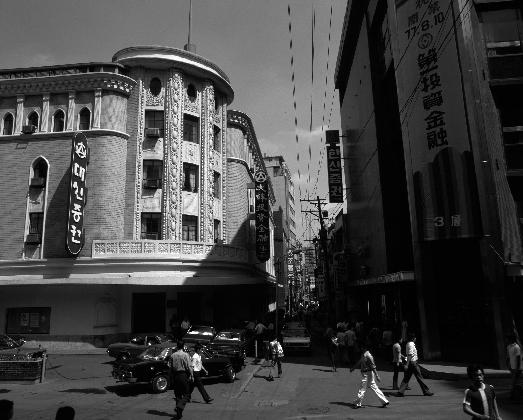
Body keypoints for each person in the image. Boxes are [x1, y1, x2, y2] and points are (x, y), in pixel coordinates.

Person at [169, 340, 194, 419]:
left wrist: (171, 377)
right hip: (183, 375)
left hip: (176, 376)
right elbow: (189, 366)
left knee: (178, 395)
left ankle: (179, 414)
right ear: (183, 346)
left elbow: (170, 367)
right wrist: (192, 375)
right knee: (187, 394)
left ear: (177, 346)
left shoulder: (173, 355)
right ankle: (179, 407)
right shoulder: (185, 355)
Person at [506, 334, 522, 400]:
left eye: (508, 339)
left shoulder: (517, 347)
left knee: (515, 382)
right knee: (515, 382)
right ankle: (515, 395)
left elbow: (518, 358)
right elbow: (508, 357)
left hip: (517, 368)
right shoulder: (508, 346)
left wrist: (517, 369)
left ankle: (513, 396)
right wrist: (509, 365)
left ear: (511, 339)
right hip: (512, 368)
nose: (507, 340)